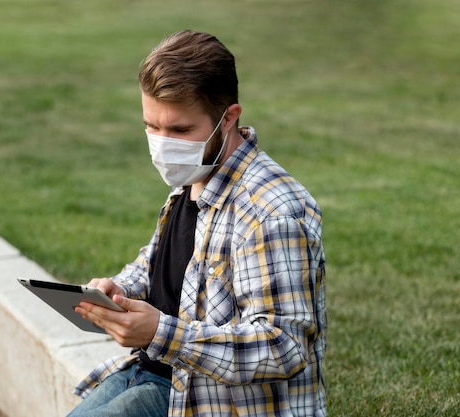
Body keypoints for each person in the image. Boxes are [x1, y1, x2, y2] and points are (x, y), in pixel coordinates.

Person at [67, 29, 326, 417]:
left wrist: (160, 333)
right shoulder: (194, 174)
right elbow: (160, 266)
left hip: (213, 402)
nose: (163, 143)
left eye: (180, 130)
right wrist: (117, 290)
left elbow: (283, 347)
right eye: (151, 126)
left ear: (229, 118)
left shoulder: (272, 211)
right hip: (155, 372)